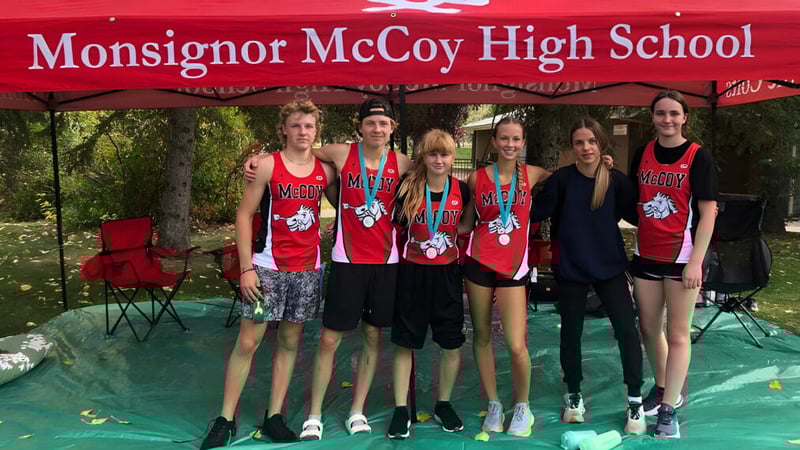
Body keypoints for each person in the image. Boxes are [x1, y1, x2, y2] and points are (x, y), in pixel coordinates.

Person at [246, 98, 411, 440]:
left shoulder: (404, 162)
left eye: (383, 124)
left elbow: (442, 172)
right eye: (370, 123)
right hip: (347, 261)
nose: (377, 129)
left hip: (386, 262)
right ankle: (314, 414)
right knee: (329, 338)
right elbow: (298, 150)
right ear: (360, 126)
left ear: (392, 128)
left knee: (372, 336)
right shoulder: (338, 153)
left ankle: (357, 411)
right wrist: (258, 161)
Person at [200, 100, 336, 449]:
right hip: (268, 271)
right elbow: (244, 216)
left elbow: (351, 194)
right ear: (284, 130)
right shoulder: (266, 166)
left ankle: (273, 416)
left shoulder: (326, 171)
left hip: (307, 271)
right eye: (296, 126)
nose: (302, 132)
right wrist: (247, 269)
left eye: (308, 126)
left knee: (290, 342)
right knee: (248, 342)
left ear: (316, 130)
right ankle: (225, 419)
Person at [530, 117, 645, 435]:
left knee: (626, 330)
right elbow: (534, 211)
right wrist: (518, 182)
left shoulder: (616, 181)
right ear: (572, 146)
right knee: (571, 334)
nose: (585, 148)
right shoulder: (562, 181)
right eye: (579, 142)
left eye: (591, 142)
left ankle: (634, 397)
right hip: (571, 268)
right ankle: (574, 395)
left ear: (601, 144)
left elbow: (638, 214)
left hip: (610, 266)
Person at [629, 90, 717, 439]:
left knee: (678, 334)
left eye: (674, 114)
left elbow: (708, 211)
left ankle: (668, 412)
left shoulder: (699, 157)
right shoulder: (642, 153)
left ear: (684, 118)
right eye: (661, 113)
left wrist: (696, 261)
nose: (667, 119)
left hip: (681, 259)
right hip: (646, 255)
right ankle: (665, 388)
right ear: (653, 117)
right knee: (649, 329)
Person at [462, 116, 549, 437]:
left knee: (515, 343)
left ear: (522, 143)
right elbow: (467, 222)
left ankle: (523, 406)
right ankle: (494, 403)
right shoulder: (476, 178)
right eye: (504, 139)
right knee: (482, 336)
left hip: (514, 266)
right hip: (479, 261)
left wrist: (602, 164)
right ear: (494, 141)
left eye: (516, 139)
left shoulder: (534, 174)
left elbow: (571, 180)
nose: (510, 145)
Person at [387, 129, 471, 439]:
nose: (439, 159)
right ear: (423, 156)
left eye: (445, 154)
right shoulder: (408, 187)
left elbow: (464, 224)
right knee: (405, 340)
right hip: (412, 272)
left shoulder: (461, 190)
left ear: (452, 157)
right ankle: (400, 409)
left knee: (450, 341)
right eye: (432, 153)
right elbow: (395, 225)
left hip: (447, 273)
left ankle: (443, 403)